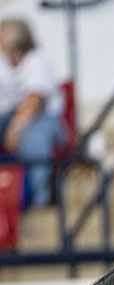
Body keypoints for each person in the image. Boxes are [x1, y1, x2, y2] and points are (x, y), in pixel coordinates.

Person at [0, 18, 65, 208]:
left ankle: (40, 201)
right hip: (10, 116)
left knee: (33, 139)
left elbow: (34, 101)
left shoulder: (38, 61)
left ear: (16, 43)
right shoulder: (4, 62)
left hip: (46, 119)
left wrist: (15, 130)